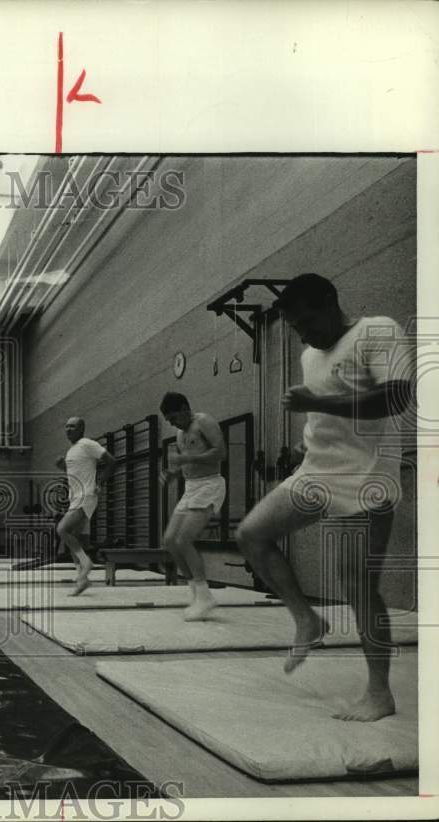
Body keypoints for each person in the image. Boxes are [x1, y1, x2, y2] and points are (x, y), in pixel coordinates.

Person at [235, 273, 413, 722]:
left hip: (367, 477)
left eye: (309, 322)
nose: (305, 334)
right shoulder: (308, 354)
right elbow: (322, 410)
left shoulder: (377, 330)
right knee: (252, 534)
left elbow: (396, 397)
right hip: (316, 470)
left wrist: (321, 405)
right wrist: (303, 443)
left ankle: (379, 694)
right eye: (297, 328)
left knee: (357, 586)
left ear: (331, 303)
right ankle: (308, 620)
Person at [159, 392, 227, 620]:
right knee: (170, 540)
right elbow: (188, 463)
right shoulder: (180, 434)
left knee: (184, 539)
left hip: (210, 485)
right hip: (191, 487)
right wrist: (173, 474)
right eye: (168, 420)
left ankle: (205, 594)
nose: (172, 423)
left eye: (174, 417)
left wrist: (186, 460)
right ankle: (197, 593)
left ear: (185, 408)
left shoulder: (204, 421)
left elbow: (220, 452)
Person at [55, 417, 116, 596]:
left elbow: (112, 461)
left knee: (62, 529)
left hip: (86, 495)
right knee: (74, 536)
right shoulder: (72, 450)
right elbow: (77, 473)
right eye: (66, 426)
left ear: (81, 428)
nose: (68, 429)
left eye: (72, 426)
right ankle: (82, 579)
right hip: (75, 497)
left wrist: (101, 483)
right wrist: (62, 467)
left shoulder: (88, 444)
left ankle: (86, 563)